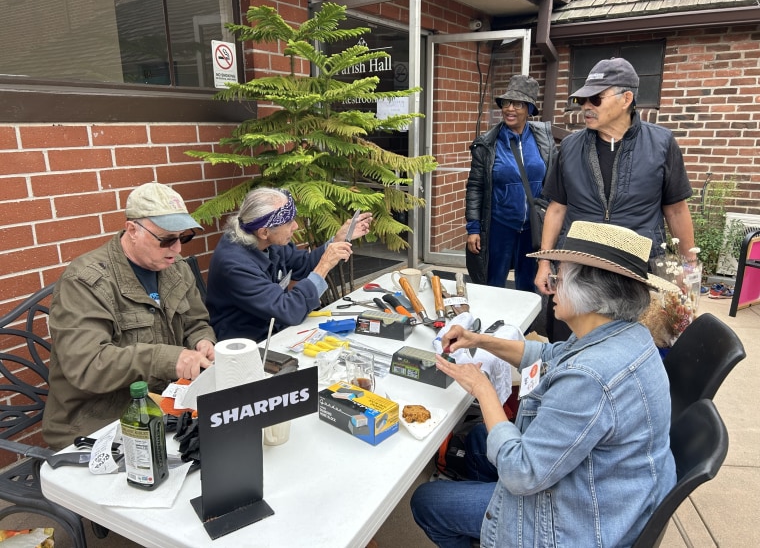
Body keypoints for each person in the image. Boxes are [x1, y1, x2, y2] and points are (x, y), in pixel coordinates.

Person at [411, 221, 678, 548]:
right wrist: (479, 339)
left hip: (581, 524)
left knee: (426, 501)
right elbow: (551, 355)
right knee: (481, 439)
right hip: (613, 492)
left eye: (558, 278)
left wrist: (482, 388)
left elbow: (521, 472)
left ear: (590, 294)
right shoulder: (627, 335)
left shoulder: (590, 377)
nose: (548, 287)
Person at [42, 182, 216, 450]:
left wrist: (204, 342)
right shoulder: (85, 282)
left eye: (184, 237)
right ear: (132, 230)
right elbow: (88, 365)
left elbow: (196, 322)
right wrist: (165, 359)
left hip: (165, 406)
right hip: (99, 422)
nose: (177, 249)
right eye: (167, 239)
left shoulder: (175, 268)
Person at [535, 57, 696, 340]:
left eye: (595, 99)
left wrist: (687, 266)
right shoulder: (570, 146)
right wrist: (545, 263)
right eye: (581, 99)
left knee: (631, 345)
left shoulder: (661, 144)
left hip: (636, 271)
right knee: (568, 343)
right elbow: (557, 208)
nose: (585, 106)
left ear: (627, 99)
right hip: (579, 267)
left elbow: (676, 210)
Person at [206, 187, 372, 342]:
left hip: (277, 331)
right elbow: (288, 310)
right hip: (249, 346)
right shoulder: (234, 265)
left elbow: (303, 265)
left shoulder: (269, 242)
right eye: (289, 222)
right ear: (264, 232)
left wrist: (337, 240)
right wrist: (323, 266)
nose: (296, 226)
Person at [465, 75, 557, 289]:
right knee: (492, 285)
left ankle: (526, 323)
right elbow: (475, 188)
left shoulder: (543, 139)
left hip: (533, 228)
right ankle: (490, 321)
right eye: (506, 103)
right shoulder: (487, 144)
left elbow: (552, 182)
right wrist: (473, 228)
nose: (509, 108)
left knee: (530, 286)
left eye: (517, 103)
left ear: (529, 109)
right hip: (499, 226)